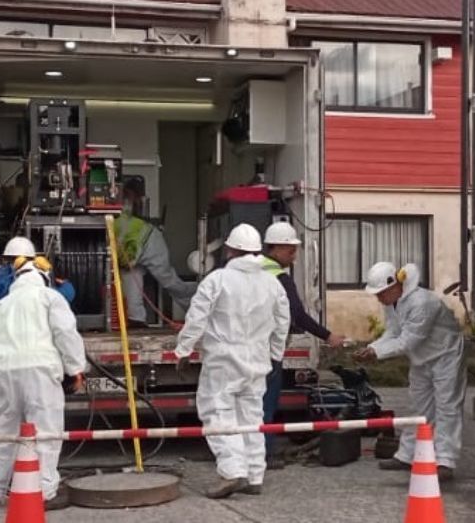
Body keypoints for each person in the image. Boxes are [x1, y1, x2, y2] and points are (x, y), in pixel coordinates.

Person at [174, 223, 290, 499]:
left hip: (223, 362)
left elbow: (196, 319)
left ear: (229, 250)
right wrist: (275, 355)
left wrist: (183, 350)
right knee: (251, 417)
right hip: (257, 362)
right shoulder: (272, 283)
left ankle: (232, 471)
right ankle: (254, 475)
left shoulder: (217, 280)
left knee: (218, 414)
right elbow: (282, 323)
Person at [0, 242, 87, 511]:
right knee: (46, 432)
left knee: (1, 434)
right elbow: (66, 333)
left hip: (4, 374)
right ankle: (45, 491)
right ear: (44, 276)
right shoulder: (50, 298)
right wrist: (76, 369)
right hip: (40, 372)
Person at [355, 261, 465, 482]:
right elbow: (393, 332)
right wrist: (373, 347)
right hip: (421, 359)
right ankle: (407, 455)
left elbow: (407, 341)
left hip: (445, 355)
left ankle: (445, 460)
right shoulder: (392, 302)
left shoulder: (422, 302)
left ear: (395, 285)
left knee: (447, 408)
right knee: (417, 407)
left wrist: (376, 353)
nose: (378, 298)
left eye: (381, 293)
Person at [258, 221, 345, 468]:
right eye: (290, 250)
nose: (294, 256)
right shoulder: (280, 278)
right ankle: (264, 455)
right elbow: (298, 315)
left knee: (245, 405)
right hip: (268, 351)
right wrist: (328, 336)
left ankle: (244, 454)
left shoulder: (251, 269)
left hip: (246, 348)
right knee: (266, 405)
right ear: (275, 248)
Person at [115, 179, 195, 327]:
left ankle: (198, 298)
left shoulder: (121, 209)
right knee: (131, 279)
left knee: (168, 282)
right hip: (138, 246)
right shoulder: (122, 207)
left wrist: (128, 257)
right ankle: (136, 319)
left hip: (149, 242)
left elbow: (127, 235)